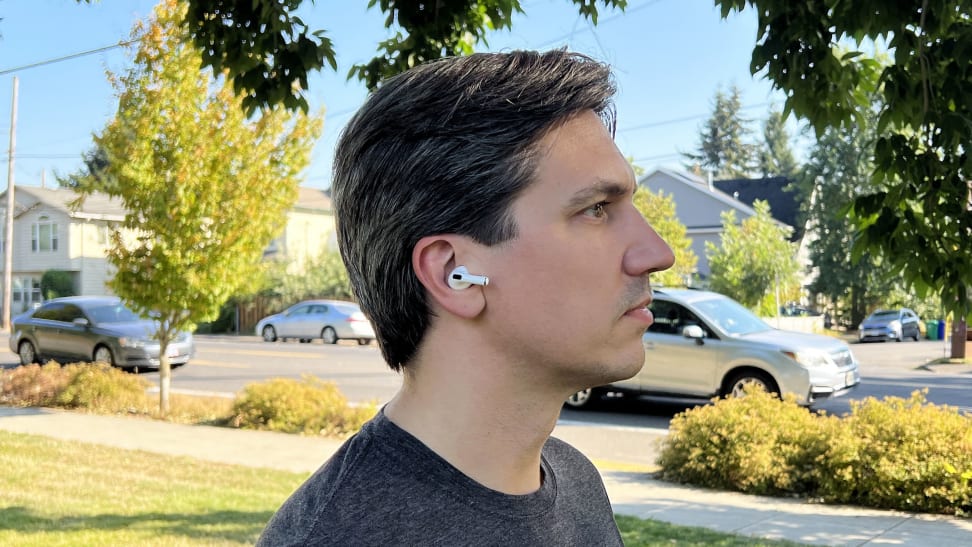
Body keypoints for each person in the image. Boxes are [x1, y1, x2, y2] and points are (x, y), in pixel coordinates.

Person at [257, 48, 674, 546]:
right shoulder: (337, 537)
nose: (657, 253)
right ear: (454, 272)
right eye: (596, 209)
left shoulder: (576, 483)